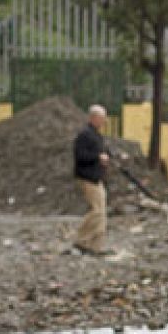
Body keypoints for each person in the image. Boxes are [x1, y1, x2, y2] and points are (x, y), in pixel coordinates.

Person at [71, 105, 112, 255]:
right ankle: (81, 239)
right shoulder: (84, 135)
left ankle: (96, 245)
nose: (104, 121)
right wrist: (98, 157)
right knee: (97, 211)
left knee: (101, 212)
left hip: (97, 177)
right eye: (102, 118)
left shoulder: (96, 135)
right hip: (88, 177)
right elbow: (80, 156)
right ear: (94, 118)